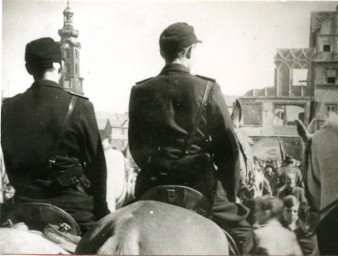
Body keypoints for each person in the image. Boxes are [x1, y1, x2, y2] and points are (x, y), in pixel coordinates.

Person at [128, 22, 253, 254]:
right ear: (189, 51)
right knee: (244, 233)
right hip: (199, 188)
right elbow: (229, 151)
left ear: (162, 53)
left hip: (151, 187)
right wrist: (230, 194)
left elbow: (136, 148)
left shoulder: (140, 90)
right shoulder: (207, 89)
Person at [1, 37, 109, 233]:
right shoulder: (80, 106)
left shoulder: (7, 108)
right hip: (73, 210)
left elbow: (10, 165)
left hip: (23, 208)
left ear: (29, 69)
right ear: (59, 66)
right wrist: (101, 210)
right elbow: (97, 167)